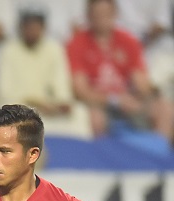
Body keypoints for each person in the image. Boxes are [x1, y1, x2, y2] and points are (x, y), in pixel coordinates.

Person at [66, 0, 174, 141]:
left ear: (115, 14)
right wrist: (114, 100)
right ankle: (102, 153)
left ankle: (158, 151)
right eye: (97, 14)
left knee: (166, 109)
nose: (102, 19)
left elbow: (141, 81)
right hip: (98, 104)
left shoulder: (128, 41)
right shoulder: (76, 43)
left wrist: (143, 93)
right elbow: (80, 90)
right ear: (89, 16)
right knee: (95, 118)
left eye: (106, 14)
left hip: (128, 99)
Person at [0, 8, 91, 137]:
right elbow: (5, 92)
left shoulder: (54, 49)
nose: (32, 31)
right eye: (28, 27)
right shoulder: (9, 50)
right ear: (21, 28)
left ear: (43, 28)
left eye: (36, 27)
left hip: (49, 108)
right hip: (20, 109)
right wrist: (35, 104)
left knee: (81, 113)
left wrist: (61, 103)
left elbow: (60, 84)